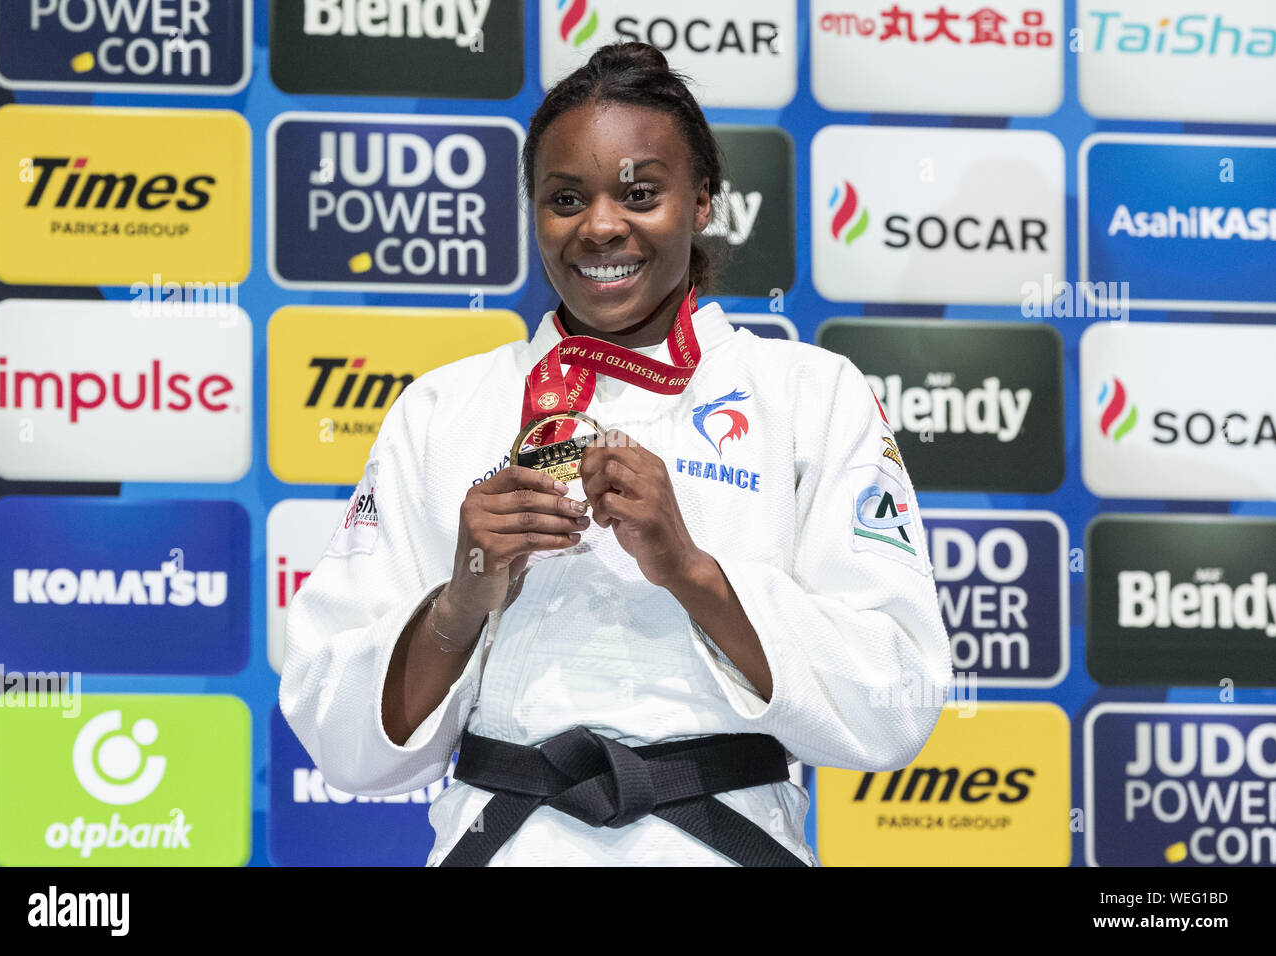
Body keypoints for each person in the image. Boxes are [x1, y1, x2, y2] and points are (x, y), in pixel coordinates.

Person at [279, 41, 952, 866]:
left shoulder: (810, 395)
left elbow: (895, 703)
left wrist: (692, 570)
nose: (601, 226)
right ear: (534, 212)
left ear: (701, 201)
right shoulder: (444, 410)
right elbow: (340, 738)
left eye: (640, 193)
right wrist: (461, 599)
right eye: (566, 198)